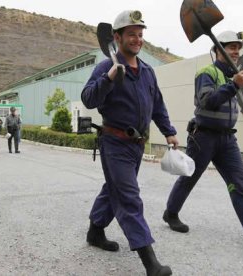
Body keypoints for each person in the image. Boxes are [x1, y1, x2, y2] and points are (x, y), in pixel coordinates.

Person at [162, 31, 243, 251]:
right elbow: (207, 101)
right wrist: (234, 85)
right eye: (231, 47)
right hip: (203, 136)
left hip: (227, 138)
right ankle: (171, 213)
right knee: (189, 176)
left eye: (238, 48)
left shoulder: (234, 76)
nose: (236, 52)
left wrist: (235, 83)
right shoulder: (207, 73)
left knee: (239, 182)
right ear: (217, 49)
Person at [81, 10, 178, 276]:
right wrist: (109, 78)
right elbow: (88, 99)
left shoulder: (147, 71)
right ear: (117, 37)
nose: (137, 40)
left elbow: (156, 104)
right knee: (128, 197)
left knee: (113, 189)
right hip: (114, 142)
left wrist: (168, 131)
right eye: (131, 35)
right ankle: (151, 263)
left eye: (140, 35)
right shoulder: (106, 67)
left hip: (136, 145)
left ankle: (95, 231)